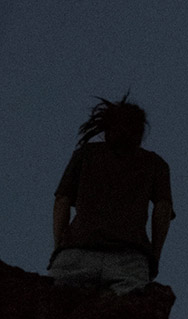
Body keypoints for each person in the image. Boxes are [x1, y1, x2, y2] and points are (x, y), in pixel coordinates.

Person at [49, 93, 174, 295]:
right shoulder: (155, 163)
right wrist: (154, 254)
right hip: (130, 258)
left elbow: (62, 201)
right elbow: (163, 209)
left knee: (57, 317)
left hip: (77, 253)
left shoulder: (86, 154)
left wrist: (60, 246)